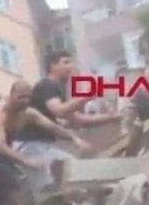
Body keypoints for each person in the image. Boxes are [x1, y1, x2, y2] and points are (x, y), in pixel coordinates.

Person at [15, 50, 117, 193]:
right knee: (71, 176)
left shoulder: (57, 89)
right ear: (53, 65)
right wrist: (88, 96)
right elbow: (59, 110)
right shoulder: (47, 85)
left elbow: (78, 120)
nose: (70, 66)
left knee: (64, 187)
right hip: (30, 147)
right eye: (66, 62)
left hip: (40, 146)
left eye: (71, 62)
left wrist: (111, 117)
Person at [0, 80, 93, 205]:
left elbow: (52, 127)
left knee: (67, 161)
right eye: (20, 97)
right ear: (12, 95)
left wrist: (75, 139)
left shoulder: (28, 113)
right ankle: (45, 196)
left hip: (12, 153)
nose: (24, 101)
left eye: (27, 97)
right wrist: (26, 160)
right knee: (32, 171)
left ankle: (78, 194)